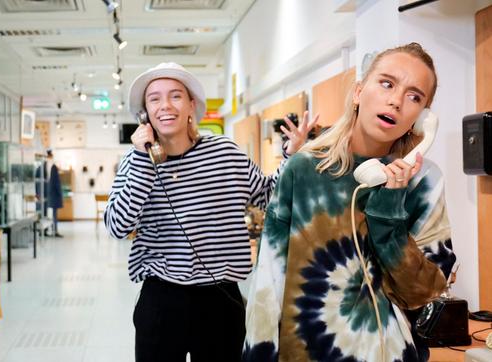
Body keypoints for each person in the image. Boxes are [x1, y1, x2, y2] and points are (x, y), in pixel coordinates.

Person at [243, 43, 457, 362]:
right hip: (306, 350)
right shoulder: (302, 169)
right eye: (387, 83)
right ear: (358, 92)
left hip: (387, 351)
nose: (396, 100)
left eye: (414, 96)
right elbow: (268, 282)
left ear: (422, 117)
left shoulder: (423, 180)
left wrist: (388, 214)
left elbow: (422, 292)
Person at [104, 62, 316, 362]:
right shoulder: (135, 162)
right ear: (144, 114)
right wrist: (143, 161)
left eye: (176, 96)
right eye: (154, 99)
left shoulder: (225, 152)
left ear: (192, 104)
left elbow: (269, 195)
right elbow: (117, 226)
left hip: (221, 299)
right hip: (162, 299)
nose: (165, 105)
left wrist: (292, 156)